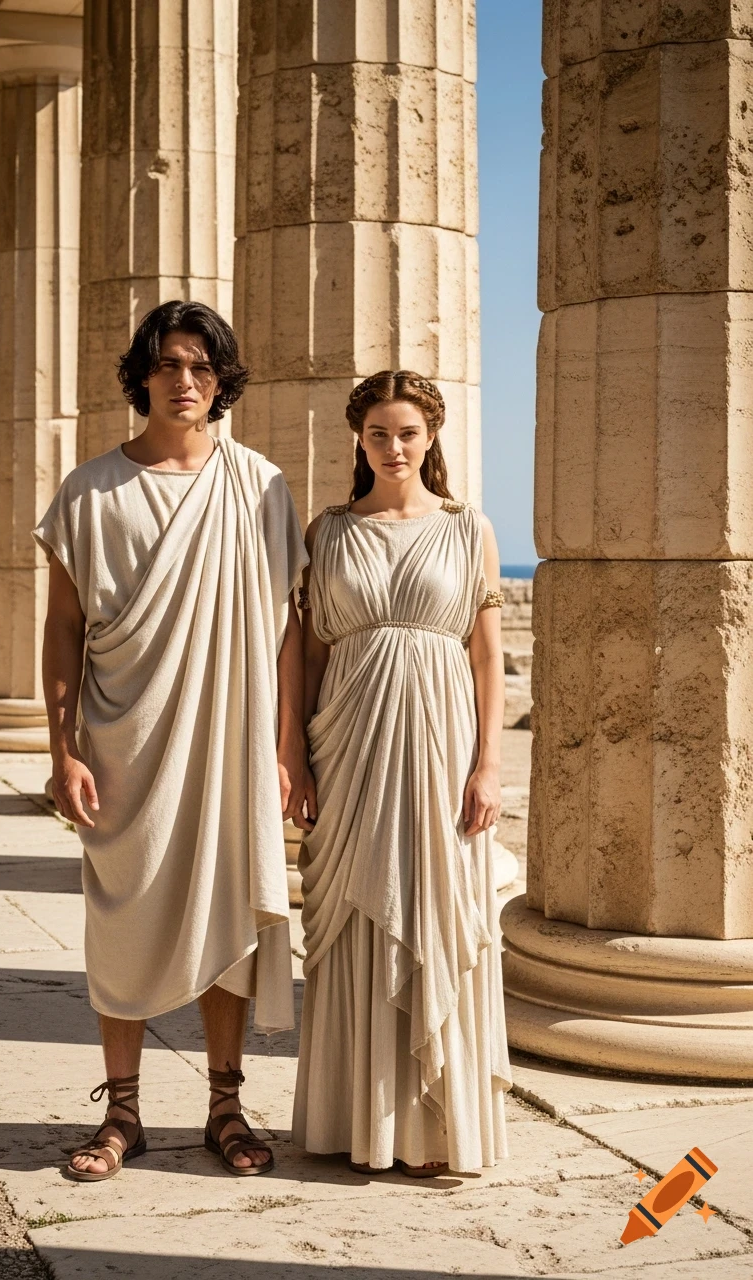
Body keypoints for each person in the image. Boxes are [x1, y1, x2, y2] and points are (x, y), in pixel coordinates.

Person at [34, 301, 309, 1181]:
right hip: (124, 738)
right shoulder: (88, 490)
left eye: (201, 366)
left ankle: (225, 1106)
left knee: (228, 917)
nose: (183, 382)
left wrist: (284, 749)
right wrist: (62, 749)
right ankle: (122, 1115)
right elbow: (63, 628)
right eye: (167, 365)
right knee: (121, 923)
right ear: (141, 376)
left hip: (230, 741)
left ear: (223, 380)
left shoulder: (259, 484)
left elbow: (286, 631)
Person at [292, 370, 512, 1176]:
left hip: (442, 744)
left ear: (432, 437)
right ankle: (358, 1123)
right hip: (347, 744)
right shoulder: (328, 531)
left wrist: (489, 764)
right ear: (358, 437)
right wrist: (293, 754)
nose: (394, 447)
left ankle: (433, 1128)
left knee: (436, 909)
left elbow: (487, 656)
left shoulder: (469, 529)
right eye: (379, 433)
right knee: (354, 919)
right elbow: (306, 655)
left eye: (409, 433)